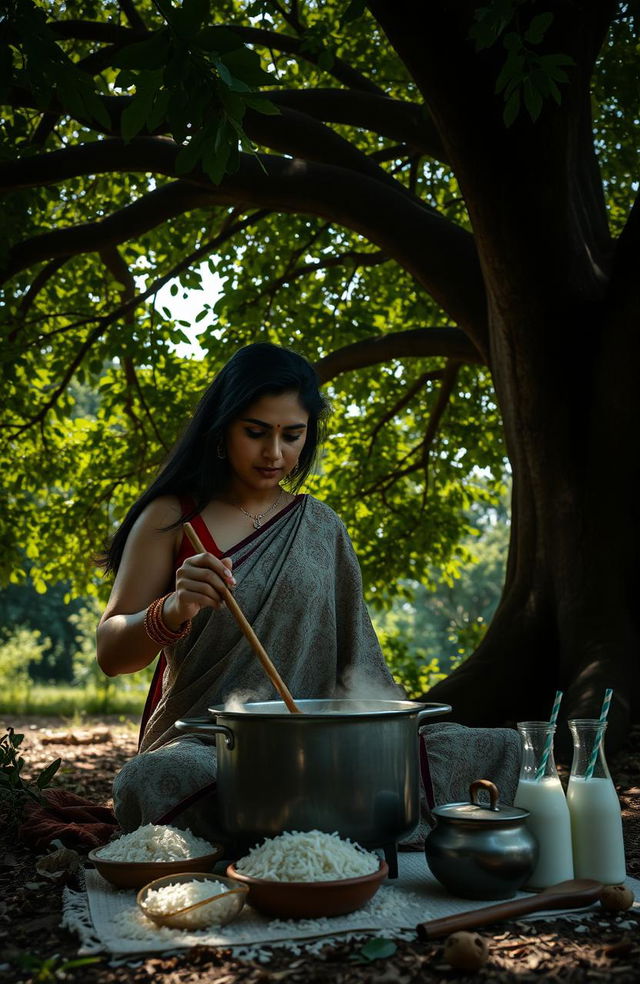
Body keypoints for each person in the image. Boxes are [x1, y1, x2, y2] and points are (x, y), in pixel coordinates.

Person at [97, 342, 402, 842]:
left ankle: (283, 819)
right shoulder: (172, 518)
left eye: (292, 435)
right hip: (210, 746)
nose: (274, 453)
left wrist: (384, 736)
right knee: (150, 781)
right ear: (222, 429)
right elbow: (111, 653)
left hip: (319, 745)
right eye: (256, 432)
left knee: (484, 748)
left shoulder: (321, 526)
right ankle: (316, 822)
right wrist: (171, 609)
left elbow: (359, 662)